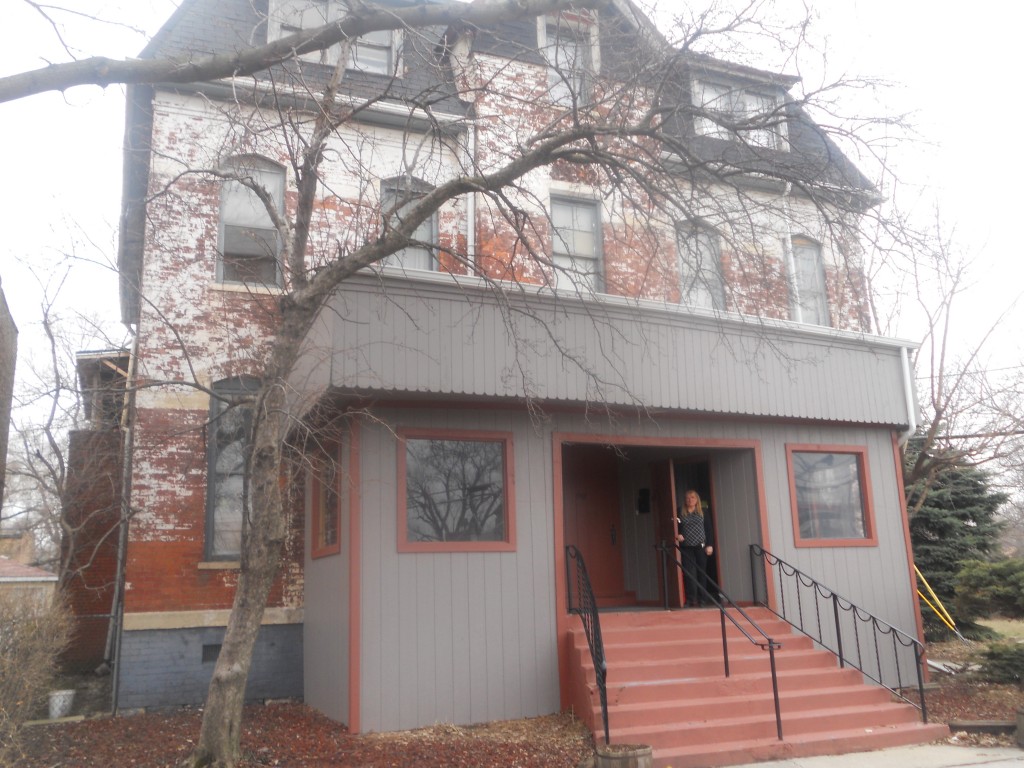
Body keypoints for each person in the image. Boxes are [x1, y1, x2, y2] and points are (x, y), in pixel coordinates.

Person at [675, 489, 714, 608]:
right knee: (688, 573)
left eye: (692, 497)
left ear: (696, 499)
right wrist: (678, 534)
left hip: (701, 547)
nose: (690, 500)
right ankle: (691, 599)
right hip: (687, 547)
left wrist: (710, 545)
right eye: (687, 498)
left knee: (701, 572)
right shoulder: (680, 511)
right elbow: (675, 526)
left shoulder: (703, 512)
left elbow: (708, 529)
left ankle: (702, 599)